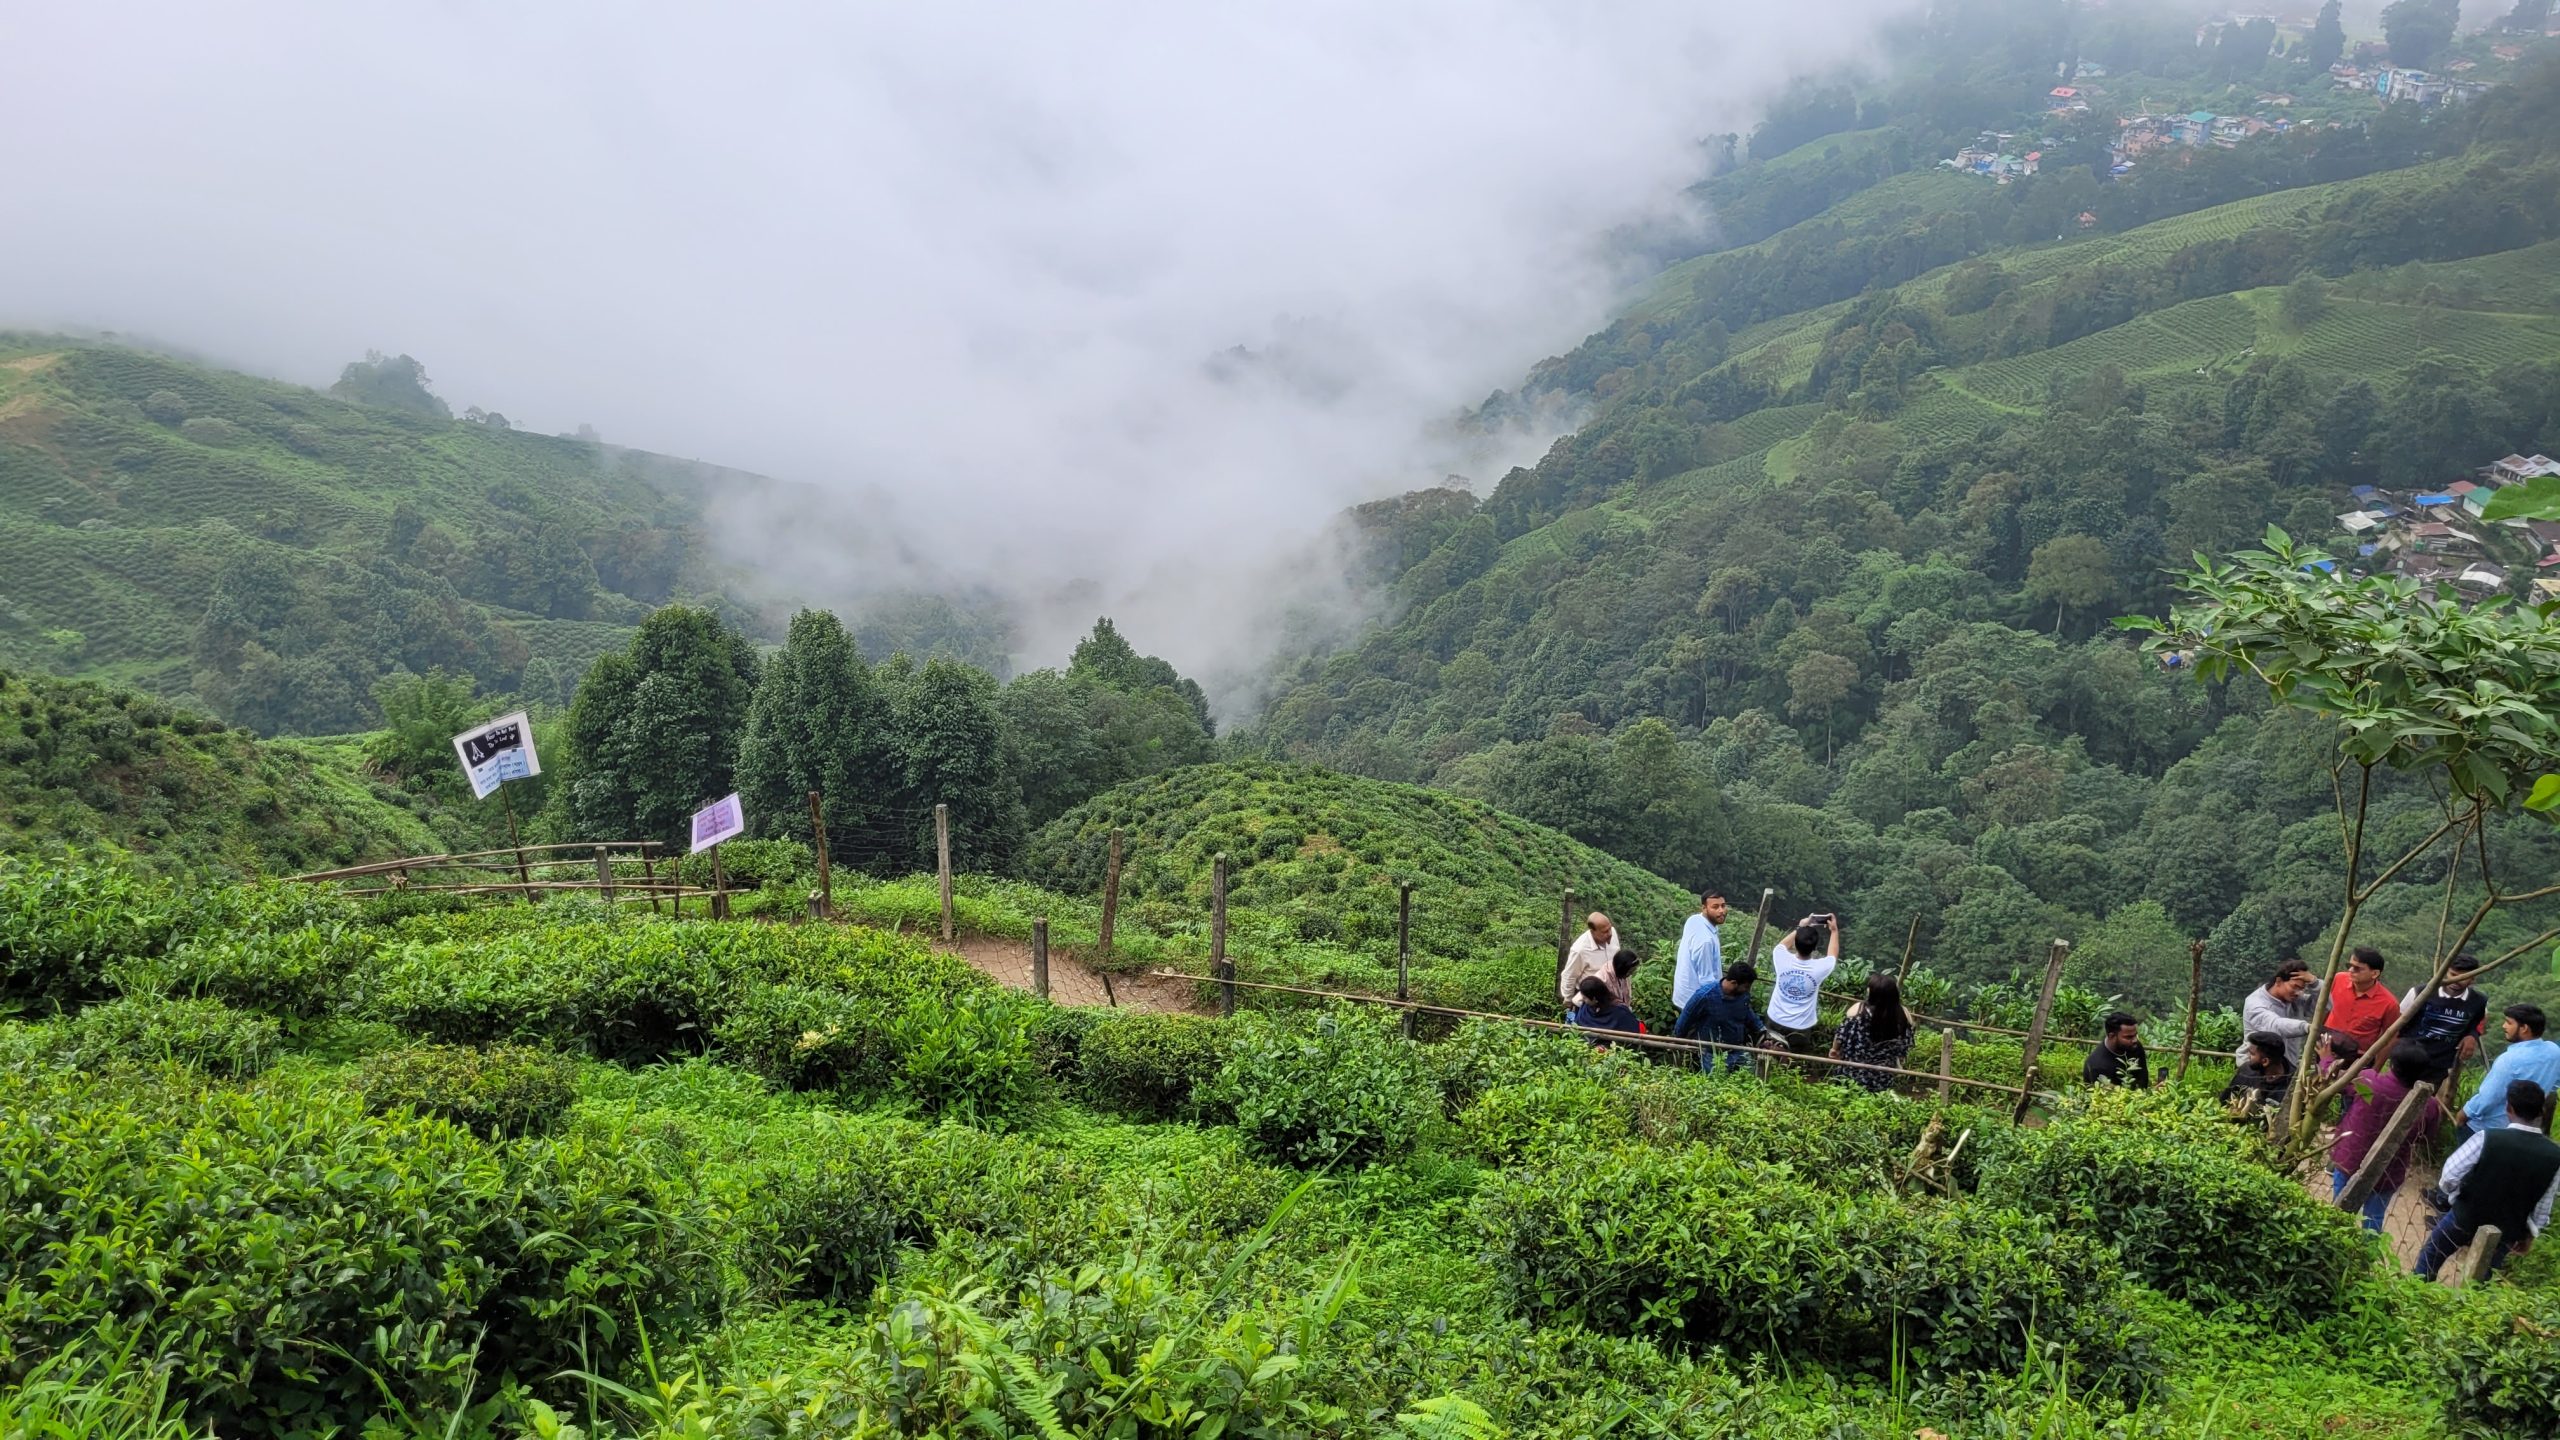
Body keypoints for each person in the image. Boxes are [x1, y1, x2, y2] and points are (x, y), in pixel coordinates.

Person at [2414, 1078, 2560, 1280]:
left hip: (2464, 1217)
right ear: (2541, 1112)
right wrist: (2530, 1234)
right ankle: (2463, 1310)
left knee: (2430, 1257)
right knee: (2480, 1282)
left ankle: (2415, 1297)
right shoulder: (2554, 1156)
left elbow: (2449, 1175)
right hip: (2506, 1232)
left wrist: (2455, 1198)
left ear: (2509, 1107)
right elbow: (2544, 1204)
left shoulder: (2488, 1138)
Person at [2330, 1039, 2444, 1233]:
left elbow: (2339, 1083)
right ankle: (2365, 1259)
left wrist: (2326, 1061)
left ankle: (2332, 1246)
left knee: (2338, 1215)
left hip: (2350, 1160)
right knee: (2373, 1223)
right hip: (2389, 1171)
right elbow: (2425, 1136)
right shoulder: (2429, 1105)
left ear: (2392, 1063)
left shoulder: (2368, 1082)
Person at [2459, 1004, 2559, 1136]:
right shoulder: (2554, 1052)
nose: (2504, 1026)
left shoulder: (2509, 1060)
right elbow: (2555, 1084)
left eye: (2509, 1023)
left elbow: (2488, 1098)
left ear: (2524, 1028)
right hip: (2524, 1130)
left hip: (2488, 1130)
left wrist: (2464, 1113)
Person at [2402, 954, 2490, 1083]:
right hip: (2408, 1058)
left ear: (2472, 979)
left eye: (2463, 977)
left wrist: (2473, 1035)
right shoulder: (2420, 992)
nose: (2456, 981)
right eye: (2453, 975)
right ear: (2445, 972)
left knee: (2425, 1099)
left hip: (2439, 1064)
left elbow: (2479, 1021)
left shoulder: (2478, 1001)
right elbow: (2397, 1023)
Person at [1673, 958, 1767, 1075]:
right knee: (1716, 1082)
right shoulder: (1705, 996)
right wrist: (1677, 1040)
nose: (1747, 990)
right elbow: (1686, 1018)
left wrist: (1761, 1029)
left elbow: (1747, 1013)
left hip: (1737, 1049)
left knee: (1752, 1077)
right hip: (1711, 1052)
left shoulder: (1743, 996)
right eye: (1746, 987)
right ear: (1734, 983)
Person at [1764, 914, 1840, 1053]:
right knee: (1795, 1063)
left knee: (1767, 1054)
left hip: (1775, 1017)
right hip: (1801, 1025)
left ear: (1796, 943)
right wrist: (1834, 931)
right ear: (1815, 947)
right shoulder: (1820, 968)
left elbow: (1782, 945)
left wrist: (1802, 927)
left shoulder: (1781, 957)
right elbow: (1832, 955)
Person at [1828, 972, 1915, 1093]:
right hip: (1883, 1077)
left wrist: (1834, 1050)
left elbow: (1841, 1035)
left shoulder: (1858, 1009)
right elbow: (1905, 1043)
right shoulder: (1903, 1014)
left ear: (1873, 993)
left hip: (1852, 1073)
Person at [2238, 960, 2317, 1068]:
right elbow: (2274, 1025)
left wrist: (2315, 983)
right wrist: (2306, 1027)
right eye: (2294, 987)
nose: (2298, 992)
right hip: (2256, 1068)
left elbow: (2326, 1006)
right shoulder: (2255, 1003)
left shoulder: (2296, 1000)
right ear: (2279, 981)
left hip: (2285, 1068)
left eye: (2302, 989)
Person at [2324, 947, 2398, 1054]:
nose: (2351, 971)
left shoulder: (2389, 1003)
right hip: (2325, 1049)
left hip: (2356, 1059)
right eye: (2349, 966)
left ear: (2375, 974)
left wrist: (2375, 1069)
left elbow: (2390, 1038)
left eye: (2357, 968)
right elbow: (2323, 1009)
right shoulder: (2338, 979)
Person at [1672, 891, 1728, 1013]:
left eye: (1723, 905)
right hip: (1696, 1001)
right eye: (1715, 907)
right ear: (1704, 908)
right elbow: (1706, 981)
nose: (1721, 911)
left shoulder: (1694, 920)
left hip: (1683, 994)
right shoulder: (1705, 941)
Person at [1557, 912, 1620, 1011]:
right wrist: (1569, 1000)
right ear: (1592, 931)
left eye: (1610, 929)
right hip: (1588, 998)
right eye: (1605, 931)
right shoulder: (1580, 949)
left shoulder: (1612, 933)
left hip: (1610, 993)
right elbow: (1569, 976)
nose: (1610, 934)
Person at [2222, 1031, 2294, 1115]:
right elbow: (2225, 1103)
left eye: (2252, 1054)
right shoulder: (2246, 1071)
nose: (2248, 1056)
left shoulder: (2292, 1083)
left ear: (2265, 1061)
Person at [1566, 975, 1641, 1046]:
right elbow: (1577, 1027)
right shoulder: (1586, 1007)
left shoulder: (1619, 1012)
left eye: (1585, 998)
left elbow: (1631, 1036)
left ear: (1594, 999)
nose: (1583, 999)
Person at [2083, 1012, 2152, 1089]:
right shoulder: (2097, 1065)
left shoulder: (2134, 1046)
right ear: (2111, 1036)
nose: (2135, 1040)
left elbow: (2142, 1078)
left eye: (2135, 1035)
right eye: (2129, 1037)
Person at [1602, 950, 1644, 1016]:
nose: (1630, 975)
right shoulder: (1603, 980)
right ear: (1621, 969)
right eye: (1630, 972)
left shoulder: (1623, 974)